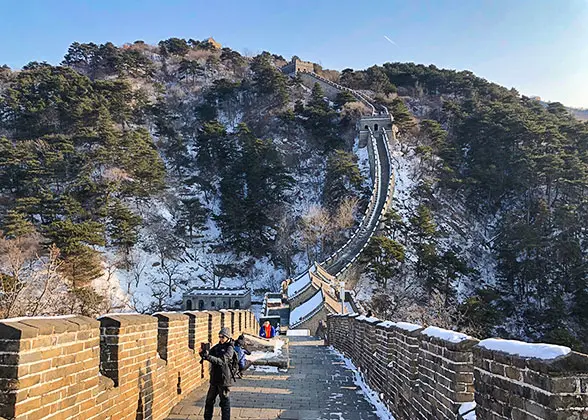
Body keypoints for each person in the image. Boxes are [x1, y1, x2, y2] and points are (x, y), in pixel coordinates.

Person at [200, 328, 235, 420]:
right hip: (214, 378)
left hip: (224, 379)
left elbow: (221, 361)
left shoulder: (230, 348)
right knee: (209, 400)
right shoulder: (217, 347)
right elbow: (209, 354)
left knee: (224, 402)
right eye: (219, 337)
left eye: (222, 337)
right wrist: (203, 353)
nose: (221, 339)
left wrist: (208, 357)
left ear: (227, 337)